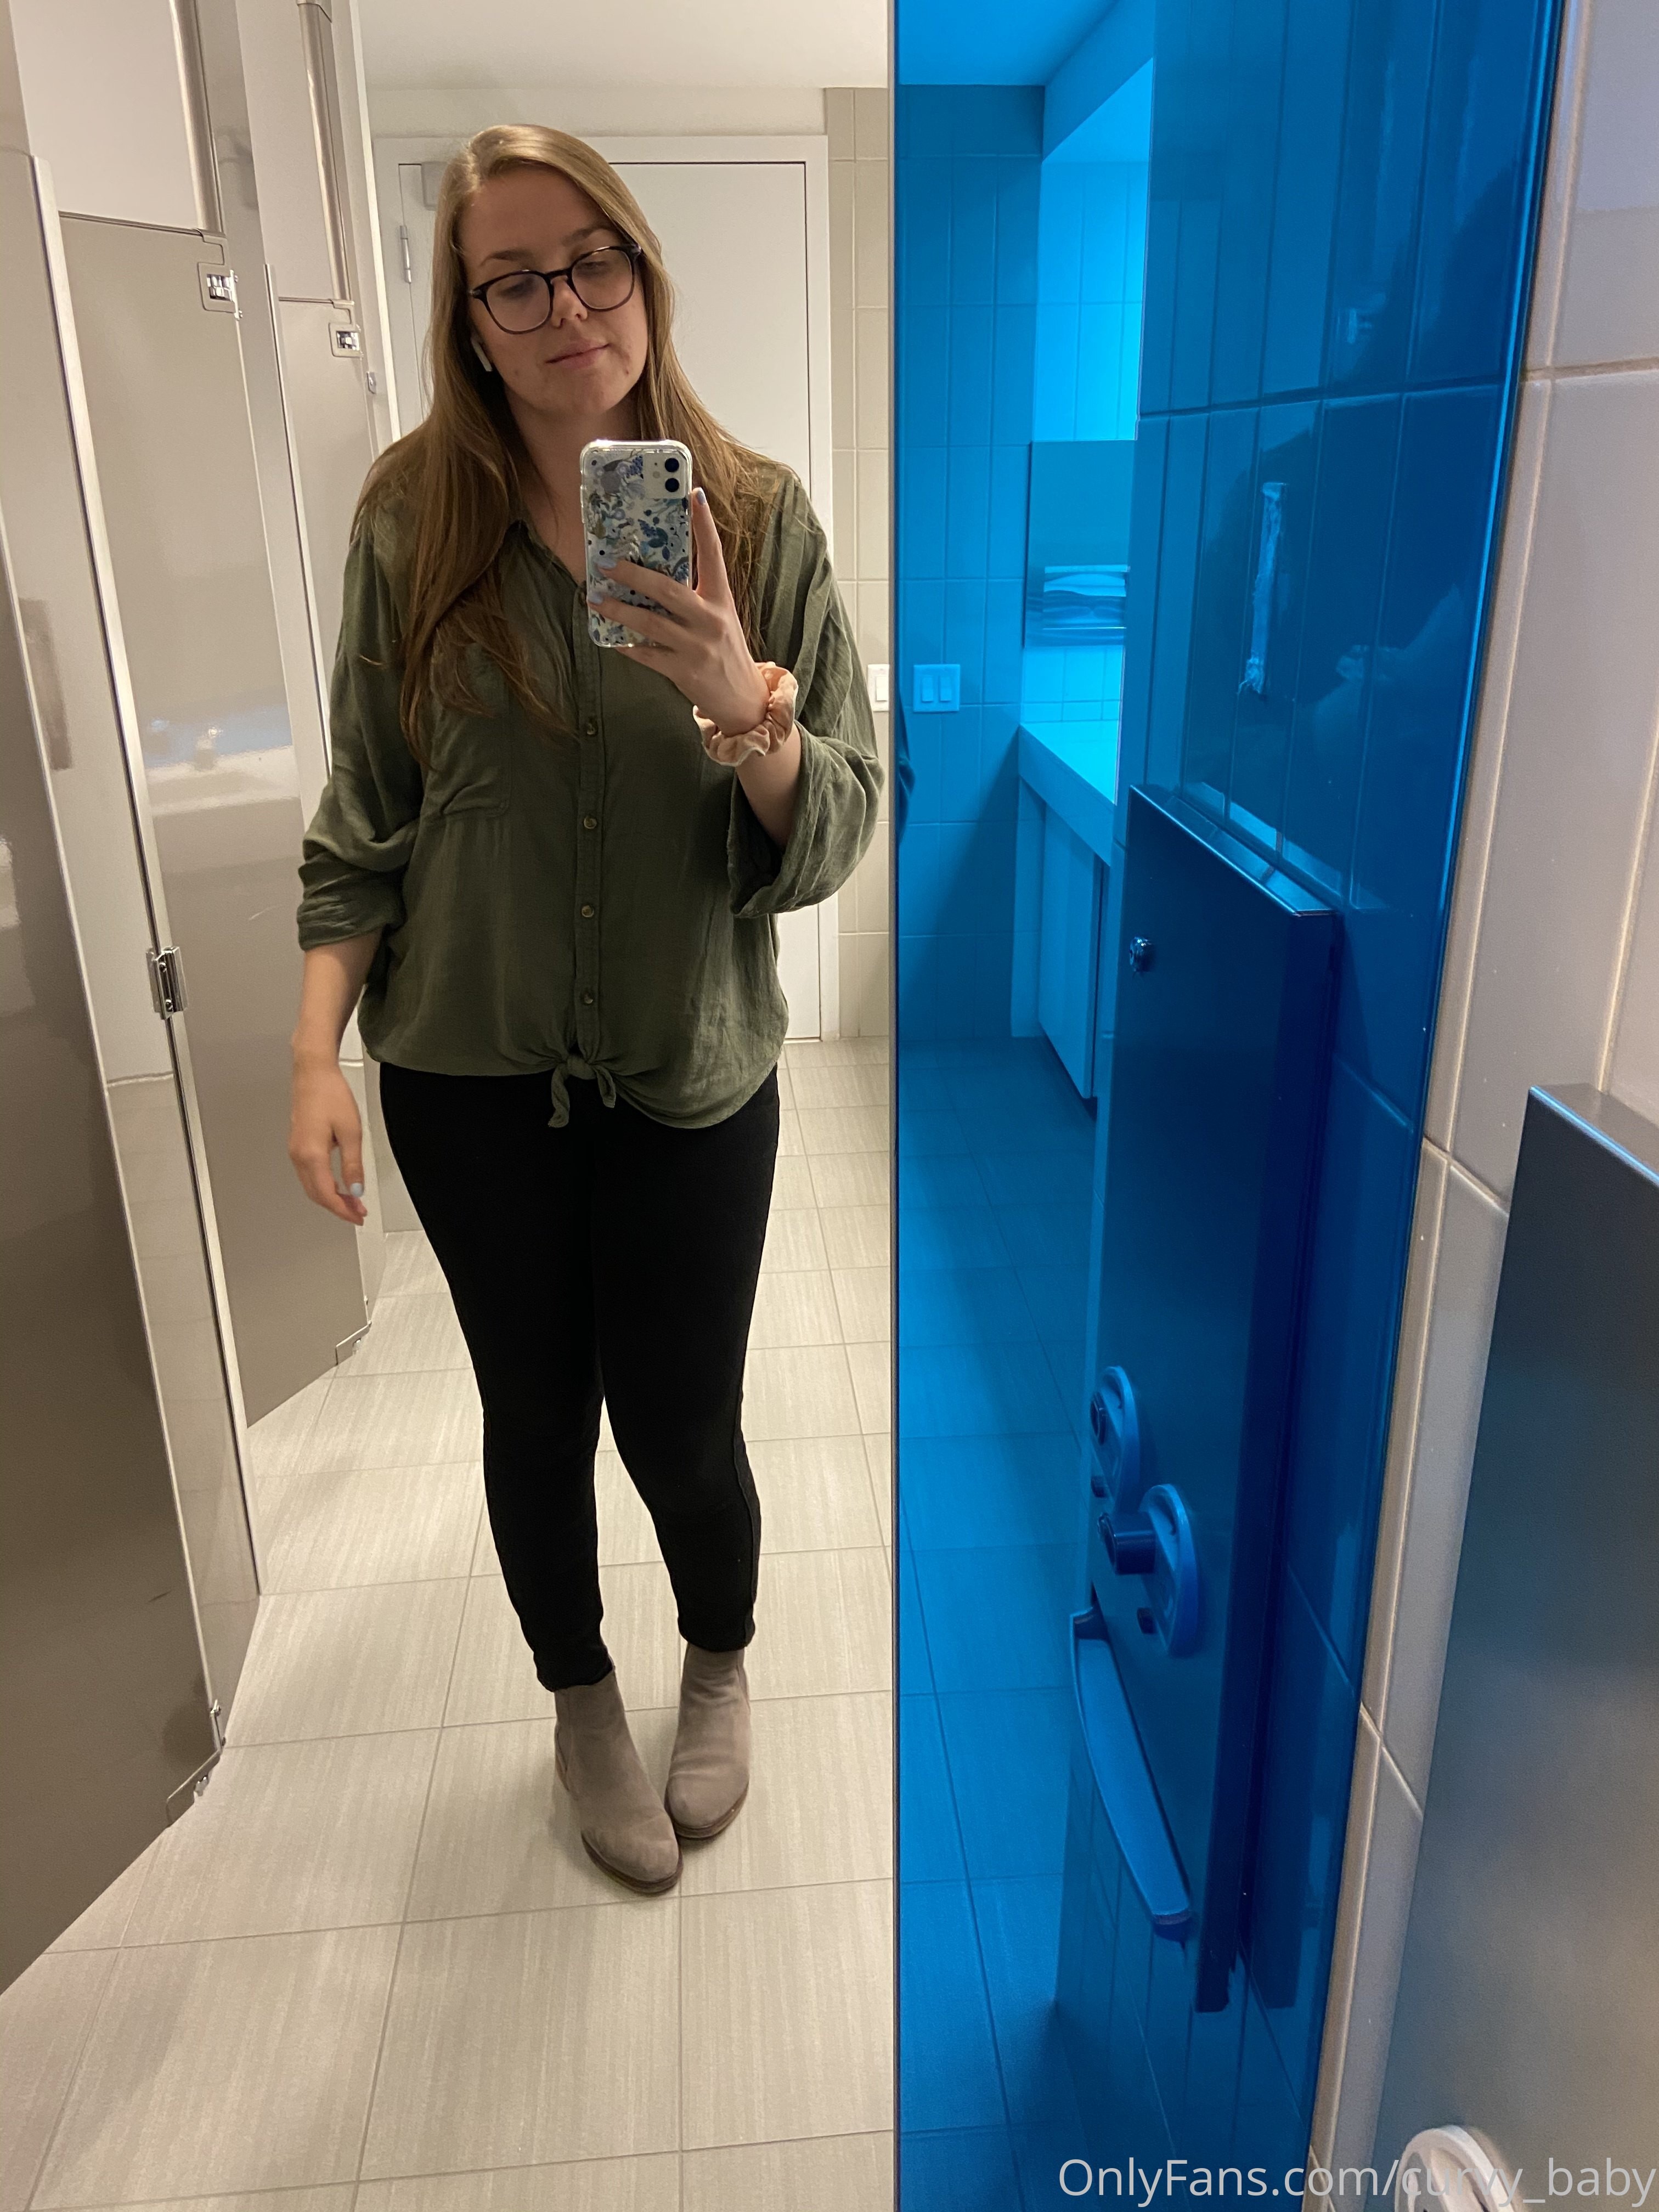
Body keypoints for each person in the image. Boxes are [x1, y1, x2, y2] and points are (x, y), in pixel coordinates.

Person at [285, 125, 881, 1894]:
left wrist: (746, 714)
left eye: (593, 258)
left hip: (695, 1067)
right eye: (515, 281)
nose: (567, 307)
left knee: (683, 1422)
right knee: (533, 1416)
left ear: (641, 265)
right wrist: (310, 1053)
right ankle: (580, 1699)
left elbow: (842, 820)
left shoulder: (756, 516)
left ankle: (719, 1659)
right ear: (468, 319)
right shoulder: (412, 521)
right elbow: (365, 813)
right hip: (467, 1078)